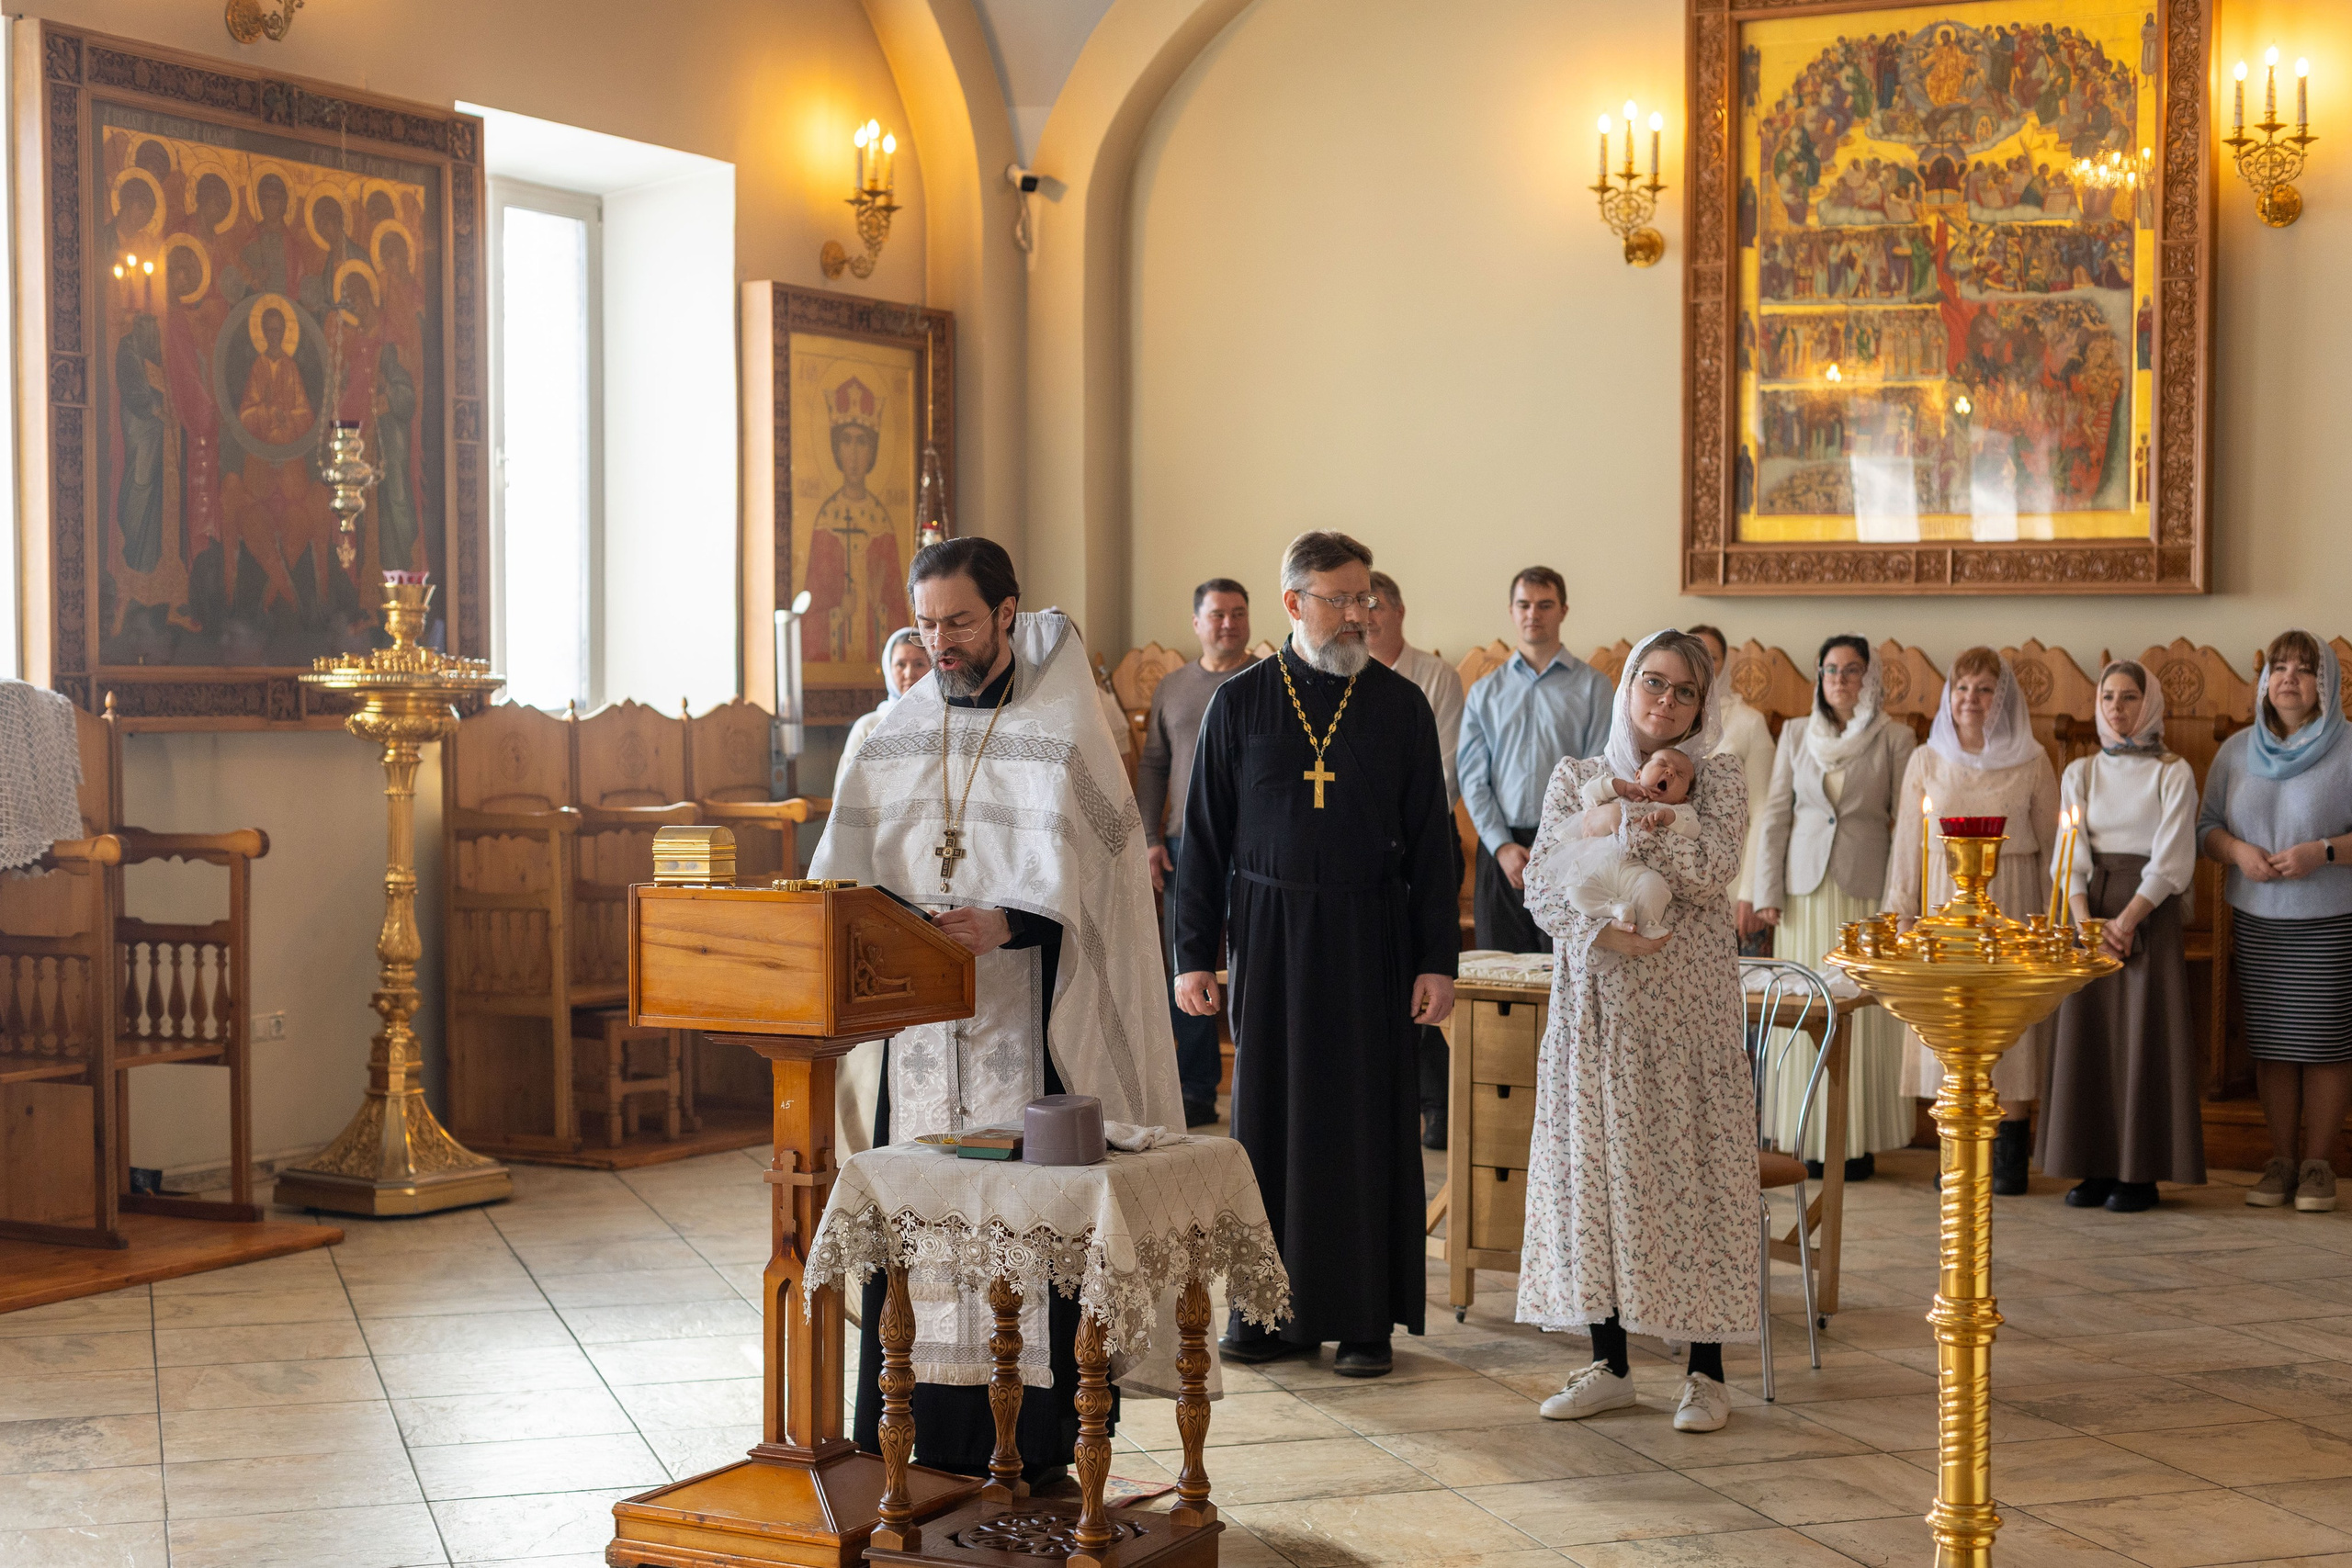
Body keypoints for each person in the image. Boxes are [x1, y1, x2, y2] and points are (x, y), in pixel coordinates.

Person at [808, 536, 1183, 1483]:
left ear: (1009, 614)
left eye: (962, 622)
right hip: (921, 1039)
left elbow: (1103, 898)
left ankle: (1036, 1452)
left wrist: (1010, 919)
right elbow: (843, 882)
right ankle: (916, 1443)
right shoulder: (887, 735)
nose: (943, 641)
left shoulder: (1065, 733)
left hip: (1032, 1023)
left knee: (1027, 1226)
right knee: (918, 1232)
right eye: (929, 623)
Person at [1172, 531, 1457, 1380]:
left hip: (1373, 934)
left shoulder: (1401, 706)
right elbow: (1203, 843)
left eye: (1364, 597)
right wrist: (1193, 954)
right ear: (1295, 603)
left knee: (1367, 1123)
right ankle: (1268, 1313)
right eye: (1338, 598)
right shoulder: (1242, 703)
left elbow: (1433, 848)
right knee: (1267, 1124)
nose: (1357, 614)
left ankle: (1365, 1318)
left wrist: (1436, 960)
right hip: (1269, 936)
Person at [1516, 629, 1755, 1437]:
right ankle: (1609, 1360)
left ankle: (1706, 1372)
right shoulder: (1575, 777)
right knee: (1599, 1170)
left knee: (1692, 1168)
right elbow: (1544, 889)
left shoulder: (1718, 780)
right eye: (1653, 682)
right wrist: (1601, 932)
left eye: (1684, 690)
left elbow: (1712, 866)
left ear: (1700, 705)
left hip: (1687, 1021)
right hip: (1598, 1011)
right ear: (1626, 687)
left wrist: (1649, 811)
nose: (1664, 700)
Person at [1887, 648, 2060, 1196]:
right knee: (1951, 1023)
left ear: (2003, 699)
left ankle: (2009, 1150)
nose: (1971, 700)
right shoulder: (1926, 759)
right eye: (1962, 688)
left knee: (2008, 1022)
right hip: (1944, 904)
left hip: (2010, 899)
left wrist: (2056, 920)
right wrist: (1902, 912)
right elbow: (1906, 847)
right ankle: (1958, 1150)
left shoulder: (2032, 759)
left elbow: (2057, 845)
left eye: (1985, 690)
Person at [1753, 636, 1917, 1182]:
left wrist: (1903, 901)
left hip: (1866, 891)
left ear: (1869, 679)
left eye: (1851, 671)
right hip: (1803, 891)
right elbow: (1776, 813)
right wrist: (1767, 892)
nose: (1840, 680)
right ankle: (1806, 1138)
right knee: (1802, 1011)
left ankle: (1856, 1141)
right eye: (1830, 670)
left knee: (1859, 1016)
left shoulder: (1896, 736)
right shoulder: (1797, 734)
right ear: (1819, 678)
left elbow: (1907, 826)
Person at [2199, 630, 2352, 1213]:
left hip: (2330, 917)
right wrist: (2237, 852)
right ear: (2264, 683)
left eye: (2304, 669)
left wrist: (2325, 852)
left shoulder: (2348, 747)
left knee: (2325, 1045)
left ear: (2326, 684)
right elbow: (2206, 827)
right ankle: (2281, 1160)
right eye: (2278, 667)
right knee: (2274, 1045)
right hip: (2259, 917)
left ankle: (2319, 1165)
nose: (2288, 677)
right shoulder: (2236, 750)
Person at [2041, 660, 2202, 1213]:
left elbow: (2174, 855)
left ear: (2149, 704)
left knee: (2142, 1035)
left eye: (2129, 697)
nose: (2117, 708)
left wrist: (2128, 920)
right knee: (2089, 1038)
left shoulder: (2172, 771)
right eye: (2108, 697)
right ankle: (2092, 1165)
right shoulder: (2080, 773)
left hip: (2147, 911)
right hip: (2088, 912)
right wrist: (2088, 926)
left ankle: (2139, 1174)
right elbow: (2071, 853)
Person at [1137, 578, 1256, 1127]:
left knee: (1254, 965)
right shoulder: (1173, 686)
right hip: (1187, 846)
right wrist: (1150, 838)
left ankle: (1258, 1081)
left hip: (1254, 849)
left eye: (1238, 613)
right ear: (1197, 623)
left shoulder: (1269, 683)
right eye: (1217, 615)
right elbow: (1154, 764)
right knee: (1189, 968)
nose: (1228, 623)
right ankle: (1195, 1088)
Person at [1458, 568, 1612, 953]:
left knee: (1564, 972)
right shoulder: (1484, 692)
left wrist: (1557, 848)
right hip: (1501, 850)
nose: (1533, 614)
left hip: (1570, 849)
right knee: (1500, 981)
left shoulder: (1594, 687)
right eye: (1524, 605)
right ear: (1511, 611)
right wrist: (1501, 846)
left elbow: (1595, 774)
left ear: (1563, 610)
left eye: (1545, 605)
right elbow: (1473, 780)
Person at [1366, 570, 1466, 1149]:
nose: (1370, 615)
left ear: (1400, 613)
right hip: (1373, 851)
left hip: (1426, 842)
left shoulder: (1434, 676)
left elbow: (1444, 770)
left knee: (1428, 966)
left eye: (1380, 605)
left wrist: (1404, 830)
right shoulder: (1340, 676)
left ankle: (1435, 1104)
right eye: (1362, 604)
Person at [1532, 747, 1701, 937]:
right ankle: (1613, 908)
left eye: (1680, 775)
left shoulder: (1676, 810)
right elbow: (1588, 794)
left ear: (1683, 798)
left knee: (1655, 886)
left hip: (1635, 870)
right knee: (1575, 891)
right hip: (1596, 865)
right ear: (1638, 775)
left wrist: (1668, 815)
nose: (1669, 772)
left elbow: (1693, 829)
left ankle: (1649, 923)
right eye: (1662, 764)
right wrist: (1622, 787)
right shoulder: (1619, 796)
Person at [1687, 626, 1777, 959]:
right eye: (1692, 655)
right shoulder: (1666, 717)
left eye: (1710, 658)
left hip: (1732, 884)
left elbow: (1763, 812)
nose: (1701, 666)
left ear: (1724, 664)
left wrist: (1751, 893)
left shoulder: (1748, 723)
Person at [840, 627, 932, 771]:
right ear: (888, 669)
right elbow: (845, 789)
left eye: (919, 664)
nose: (909, 674)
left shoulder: (945, 723)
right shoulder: (869, 727)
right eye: (901, 664)